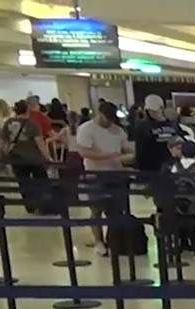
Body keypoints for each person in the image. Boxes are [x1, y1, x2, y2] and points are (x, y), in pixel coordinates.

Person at [75, 101, 133, 255]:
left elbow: (127, 149)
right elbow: (84, 152)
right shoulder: (86, 129)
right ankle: (98, 242)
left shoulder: (118, 131)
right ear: (98, 113)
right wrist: (107, 156)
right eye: (106, 117)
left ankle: (114, 240)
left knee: (115, 209)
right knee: (96, 209)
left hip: (115, 174)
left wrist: (127, 157)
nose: (108, 121)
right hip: (95, 174)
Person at [0, 99, 50, 214]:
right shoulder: (32, 124)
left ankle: (30, 207)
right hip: (34, 158)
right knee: (41, 181)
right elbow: (40, 143)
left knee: (23, 183)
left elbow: (1, 141)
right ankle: (42, 206)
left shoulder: (8, 123)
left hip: (16, 158)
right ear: (27, 110)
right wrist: (48, 157)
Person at [133, 94, 183, 177]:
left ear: (162, 108)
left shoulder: (173, 125)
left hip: (171, 167)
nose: (153, 113)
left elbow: (180, 142)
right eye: (150, 110)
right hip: (150, 169)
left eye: (155, 110)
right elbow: (140, 150)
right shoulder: (143, 126)